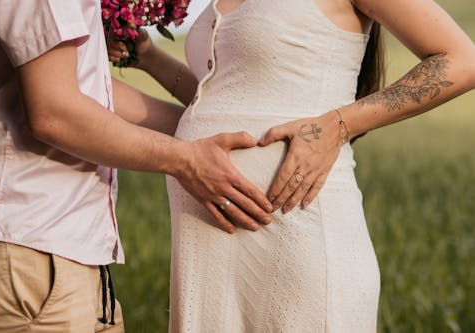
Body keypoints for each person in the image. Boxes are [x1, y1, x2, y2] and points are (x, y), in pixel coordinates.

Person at [110, 0, 475, 331]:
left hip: (295, 233)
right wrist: (150, 58)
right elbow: (229, 97)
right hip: (209, 249)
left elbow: (461, 59)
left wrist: (338, 125)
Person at [0, 1, 274, 332]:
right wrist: (185, 160)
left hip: (71, 257)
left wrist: (203, 132)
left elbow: (86, 95)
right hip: (30, 254)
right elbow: (54, 111)